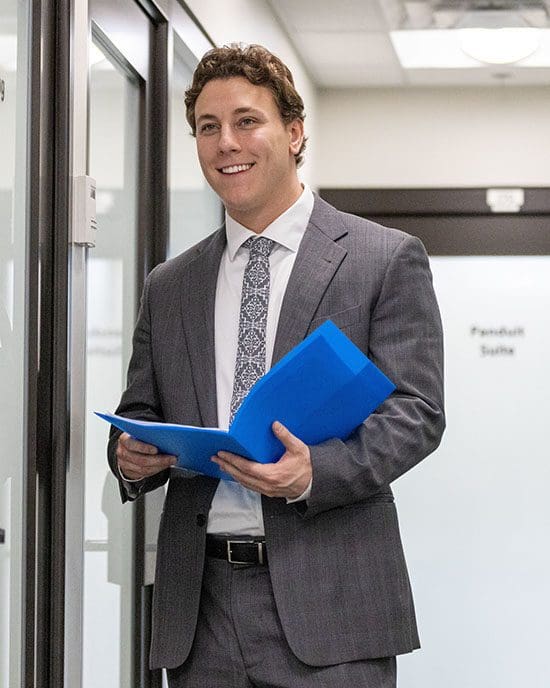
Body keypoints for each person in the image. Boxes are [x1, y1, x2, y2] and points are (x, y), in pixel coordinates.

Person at [108, 43, 445, 688]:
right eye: (208, 128)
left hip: (334, 609)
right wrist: (130, 452)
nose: (225, 142)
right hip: (198, 612)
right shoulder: (171, 284)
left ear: (293, 133)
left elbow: (417, 412)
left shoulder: (382, 258)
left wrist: (314, 472)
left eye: (246, 121)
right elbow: (141, 410)